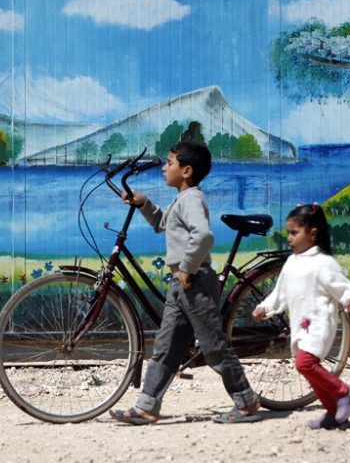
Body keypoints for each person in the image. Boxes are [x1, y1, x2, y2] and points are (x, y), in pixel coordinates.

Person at [109, 141, 261, 425]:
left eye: (169, 163)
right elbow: (163, 223)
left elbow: (202, 236)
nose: (164, 168)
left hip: (195, 283)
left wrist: (187, 269)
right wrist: (144, 203)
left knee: (214, 346)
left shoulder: (192, 199)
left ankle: (246, 400)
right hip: (181, 284)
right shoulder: (182, 198)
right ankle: (147, 406)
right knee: (166, 347)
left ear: (187, 171)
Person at [252, 203, 350, 430]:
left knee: (305, 364)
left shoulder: (324, 263)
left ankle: (344, 392)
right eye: (288, 233)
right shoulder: (292, 263)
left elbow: (344, 287)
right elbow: (279, 294)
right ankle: (333, 413)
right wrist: (265, 308)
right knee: (308, 371)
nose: (290, 238)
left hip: (320, 325)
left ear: (312, 233)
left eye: (294, 233)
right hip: (300, 327)